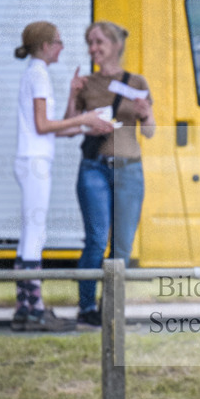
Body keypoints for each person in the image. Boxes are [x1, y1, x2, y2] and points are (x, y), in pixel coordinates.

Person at [12, 21, 115, 332]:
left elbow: (60, 128)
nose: (62, 46)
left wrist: (84, 121)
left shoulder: (36, 72)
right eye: (58, 41)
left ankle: (25, 308)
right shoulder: (39, 75)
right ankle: (35, 310)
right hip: (35, 161)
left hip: (33, 158)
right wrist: (84, 117)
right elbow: (44, 126)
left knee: (31, 232)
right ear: (45, 45)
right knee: (35, 233)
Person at [66, 21, 156, 327]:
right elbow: (68, 127)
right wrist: (71, 95)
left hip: (129, 171)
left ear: (116, 45)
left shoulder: (137, 82)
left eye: (99, 42)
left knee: (122, 247)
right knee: (95, 240)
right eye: (89, 43)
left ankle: (111, 310)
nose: (93, 49)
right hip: (94, 170)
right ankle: (87, 308)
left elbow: (151, 131)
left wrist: (145, 113)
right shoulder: (87, 84)